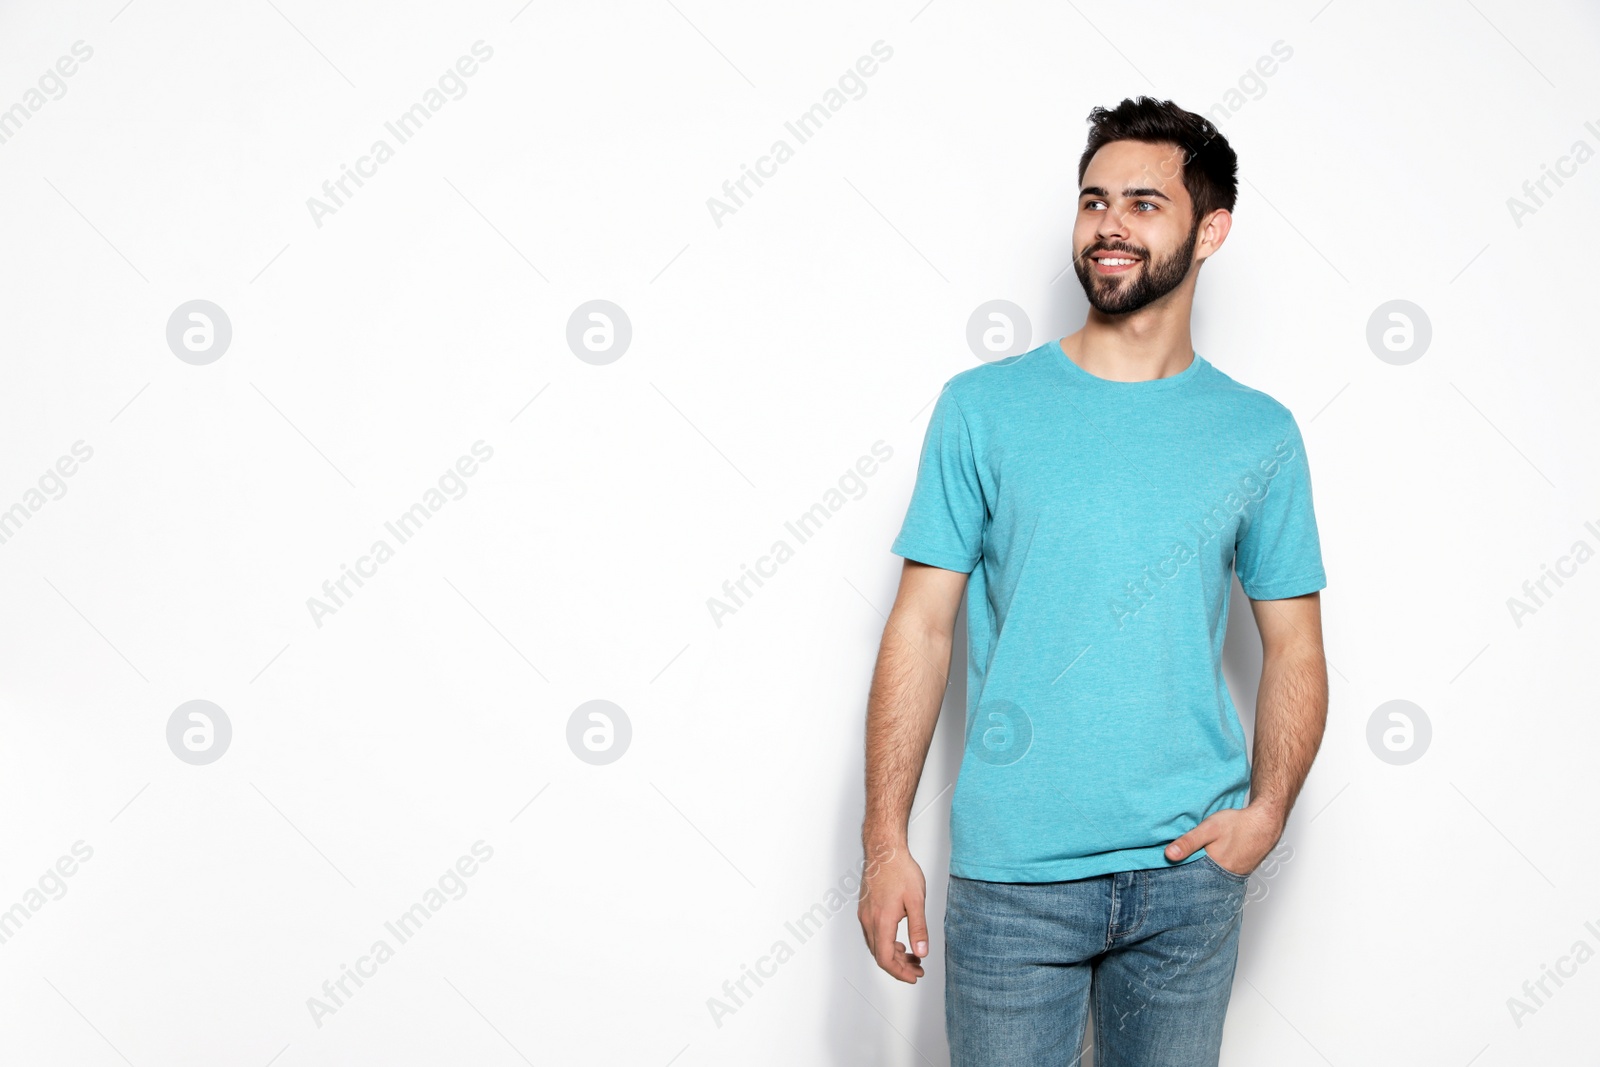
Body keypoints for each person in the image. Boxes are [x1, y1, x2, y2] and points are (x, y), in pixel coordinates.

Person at [856, 96, 1329, 1066]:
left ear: (1210, 229)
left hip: (1186, 877)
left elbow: (1295, 644)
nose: (1108, 224)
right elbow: (921, 628)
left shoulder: (1258, 433)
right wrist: (884, 841)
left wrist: (1266, 813)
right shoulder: (982, 408)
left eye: (1144, 203)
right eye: (1093, 200)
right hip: (1013, 878)